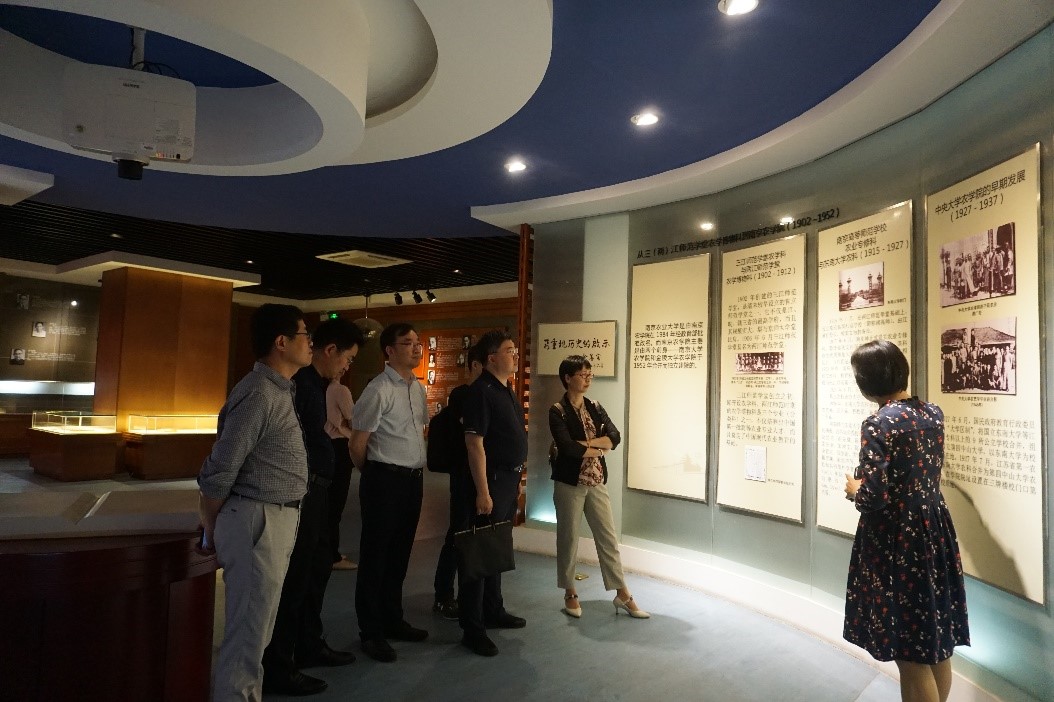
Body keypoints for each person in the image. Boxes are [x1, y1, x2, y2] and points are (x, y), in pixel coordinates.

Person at [197, 303, 313, 702]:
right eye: (305, 335)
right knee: (248, 633)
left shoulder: (277, 390)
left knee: (257, 630)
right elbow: (221, 467)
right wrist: (212, 524)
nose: (310, 343)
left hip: (272, 518)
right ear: (282, 342)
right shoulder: (260, 393)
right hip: (256, 519)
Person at [842, 340, 969, 702]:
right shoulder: (932, 413)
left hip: (895, 541)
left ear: (867, 381)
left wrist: (854, 490)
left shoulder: (878, 423)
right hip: (932, 530)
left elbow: (874, 496)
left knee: (908, 653)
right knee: (934, 642)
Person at [262, 318, 364, 696]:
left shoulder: (314, 385)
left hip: (317, 488)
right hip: (304, 489)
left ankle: (307, 643)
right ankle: (280, 663)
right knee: (296, 578)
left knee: (315, 569)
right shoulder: (298, 385)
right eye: (347, 359)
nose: (346, 367)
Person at [350, 323, 430, 662]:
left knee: (399, 554)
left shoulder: (418, 389)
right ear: (389, 350)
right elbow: (357, 444)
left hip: (413, 479)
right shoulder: (378, 389)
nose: (416, 348)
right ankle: (371, 632)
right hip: (384, 479)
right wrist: (374, 474)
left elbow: (419, 431)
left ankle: (392, 619)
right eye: (407, 343)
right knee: (375, 556)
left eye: (417, 342)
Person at [548, 355, 649, 620]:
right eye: (582, 375)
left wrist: (588, 445)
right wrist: (598, 446)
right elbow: (567, 448)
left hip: (596, 481)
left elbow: (614, 437)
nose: (587, 379)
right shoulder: (557, 411)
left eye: (590, 374)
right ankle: (570, 591)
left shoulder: (595, 406)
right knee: (568, 538)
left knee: (608, 538)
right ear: (567, 378)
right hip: (569, 483)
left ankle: (622, 592)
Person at [457, 330, 528, 657]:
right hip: (491, 481)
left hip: (507, 480)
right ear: (491, 358)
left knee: (495, 547)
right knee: (479, 553)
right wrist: (483, 491)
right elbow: (475, 444)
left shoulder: (505, 389)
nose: (515, 355)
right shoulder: (481, 392)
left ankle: (493, 609)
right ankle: (472, 627)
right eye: (509, 350)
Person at [431, 343, 485, 620]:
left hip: (477, 475)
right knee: (459, 534)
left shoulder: (485, 394)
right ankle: (444, 595)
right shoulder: (464, 395)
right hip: (465, 476)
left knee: (470, 536)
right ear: (475, 365)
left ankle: (469, 595)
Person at [325, 373, 358, 572]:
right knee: (335, 505)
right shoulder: (340, 390)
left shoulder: (320, 389)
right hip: (339, 444)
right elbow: (353, 418)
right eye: (346, 359)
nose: (346, 366)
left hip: (326, 445)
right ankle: (332, 556)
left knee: (328, 503)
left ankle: (328, 550)